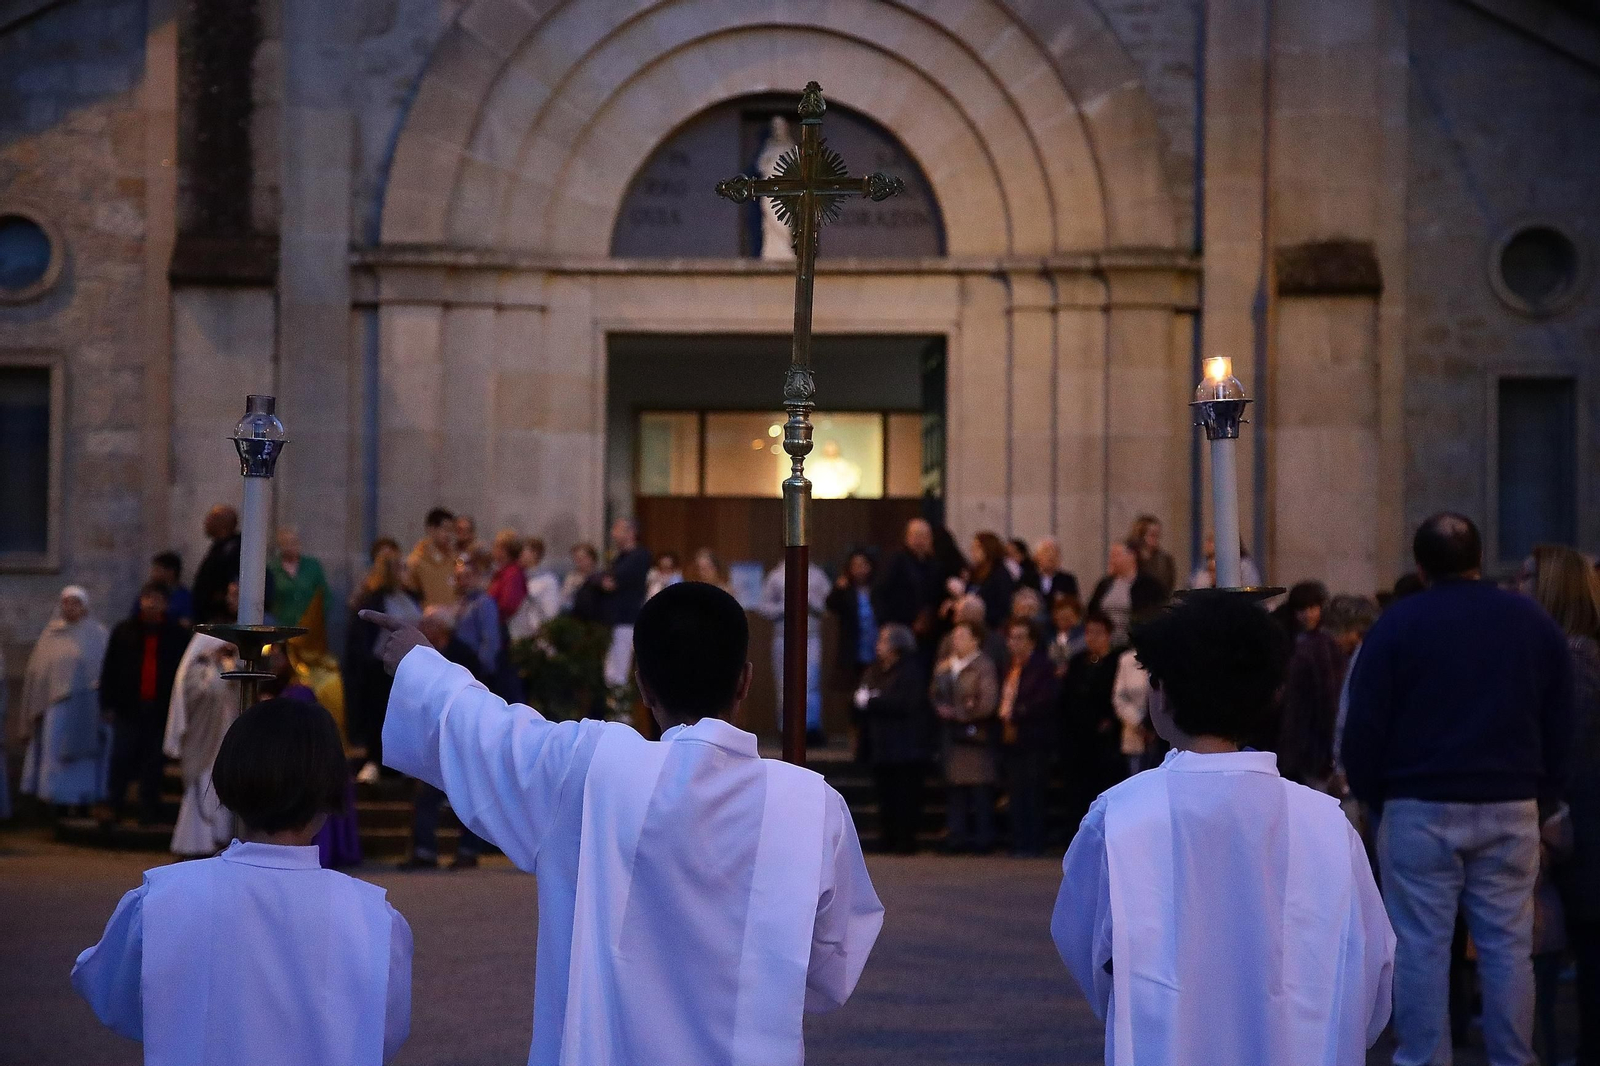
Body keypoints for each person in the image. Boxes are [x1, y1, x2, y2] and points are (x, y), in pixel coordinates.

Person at [365, 580, 882, 1065]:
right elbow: (832, 970)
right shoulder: (812, 805)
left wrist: (420, 664)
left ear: (642, 685)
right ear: (745, 680)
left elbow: (485, 731)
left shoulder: (591, 769)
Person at [1052, 592, 1394, 1066]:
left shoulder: (1120, 817)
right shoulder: (1326, 824)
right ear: (1272, 694)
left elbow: (1083, 945)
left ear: (1161, 692)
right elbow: (1373, 963)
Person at [1343, 513, 1574, 1066]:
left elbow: (1364, 725)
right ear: (1479, 559)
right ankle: (1513, 1057)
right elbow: (1562, 717)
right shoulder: (1530, 621)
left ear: (1420, 566)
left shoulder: (1397, 626)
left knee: (1420, 947)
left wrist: (1376, 797)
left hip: (1418, 803)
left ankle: (1425, 1058)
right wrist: (1544, 794)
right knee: (1507, 948)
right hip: (1509, 800)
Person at [72, 697, 412, 1065]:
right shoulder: (374, 918)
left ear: (229, 780)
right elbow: (381, 1035)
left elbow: (110, 994)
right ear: (329, 793)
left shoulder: (163, 899)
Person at [1523, 543, 1600, 1061]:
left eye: (1529, 578)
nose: (1517, 587)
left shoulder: (1571, 658)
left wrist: (1549, 813)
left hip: (1582, 824)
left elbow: (1566, 748)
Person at [397, 611, 491, 871]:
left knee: (466, 795)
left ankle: (467, 850)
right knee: (427, 796)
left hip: (462, 735)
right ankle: (425, 851)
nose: (420, 628)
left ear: (441, 629)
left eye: (426, 624)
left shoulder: (463, 654)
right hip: (435, 737)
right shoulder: (427, 655)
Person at [101, 583, 189, 825]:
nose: (151, 603)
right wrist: (107, 704)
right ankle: (114, 805)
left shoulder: (176, 635)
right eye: (147, 598)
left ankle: (148, 809)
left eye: (157, 599)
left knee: (153, 761)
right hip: (128, 706)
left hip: (160, 709)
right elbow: (110, 668)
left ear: (165, 604)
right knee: (121, 757)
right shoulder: (124, 631)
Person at [19, 586, 110, 810]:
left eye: (75, 603)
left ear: (84, 606)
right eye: (66, 602)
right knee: (55, 753)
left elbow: (103, 669)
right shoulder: (51, 635)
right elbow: (38, 674)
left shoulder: (97, 634)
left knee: (82, 757)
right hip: (56, 707)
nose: (70, 607)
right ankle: (56, 800)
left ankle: (82, 800)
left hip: (86, 706)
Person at [346, 546, 422, 785]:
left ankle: (401, 764)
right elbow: (364, 637)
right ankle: (376, 762)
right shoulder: (375, 599)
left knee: (404, 716)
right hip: (381, 668)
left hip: (408, 668)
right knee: (380, 715)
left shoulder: (407, 596)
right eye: (401, 567)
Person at [855, 624, 931, 854]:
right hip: (881, 744)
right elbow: (865, 692)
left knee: (905, 796)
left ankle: (905, 840)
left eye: (883, 641)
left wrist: (873, 701)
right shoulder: (875, 669)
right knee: (885, 795)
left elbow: (905, 703)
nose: (878, 645)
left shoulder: (911, 670)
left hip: (906, 746)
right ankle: (887, 838)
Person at [162, 633, 238, 856]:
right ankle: (195, 844)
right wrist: (215, 670)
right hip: (202, 742)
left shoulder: (226, 668)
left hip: (223, 741)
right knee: (202, 790)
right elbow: (206, 693)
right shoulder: (194, 672)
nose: (225, 654)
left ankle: (220, 839)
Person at [932, 620, 1000, 854]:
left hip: (975, 737)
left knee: (979, 790)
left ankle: (983, 837)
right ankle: (956, 837)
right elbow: (935, 694)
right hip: (951, 738)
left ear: (975, 640)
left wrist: (960, 713)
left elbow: (987, 702)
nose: (956, 640)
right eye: (955, 636)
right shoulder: (945, 666)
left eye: (962, 636)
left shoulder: (983, 666)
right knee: (955, 791)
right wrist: (941, 708)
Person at [1275, 584, 1346, 790]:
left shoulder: (1323, 644)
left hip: (1314, 738)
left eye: (1313, 608)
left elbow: (1330, 695)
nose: (1308, 615)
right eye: (1302, 609)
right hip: (1298, 735)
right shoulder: (1291, 639)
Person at [999, 618, 1059, 856]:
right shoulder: (1011, 666)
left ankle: (1033, 842)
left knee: (1033, 790)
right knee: (1016, 790)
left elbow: (1045, 700)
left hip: (1034, 736)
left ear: (1031, 641)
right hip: (1012, 736)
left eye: (1020, 637)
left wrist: (1018, 711)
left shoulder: (1042, 666)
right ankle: (1019, 839)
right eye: (1011, 637)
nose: (1014, 643)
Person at [757, 557, 831, 744]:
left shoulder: (817, 575)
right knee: (785, 682)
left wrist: (810, 601)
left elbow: (828, 605)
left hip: (811, 635)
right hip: (784, 636)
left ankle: (811, 728)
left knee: (811, 681)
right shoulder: (776, 575)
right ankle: (787, 729)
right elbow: (764, 607)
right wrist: (785, 605)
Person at [1059, 610, 1123, 818]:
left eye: (1098, 632)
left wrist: (1109, 720)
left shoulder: (1116, 661)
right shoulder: (1078, 662)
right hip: (1077, 735)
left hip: (1104, 737)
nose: (1092, 638)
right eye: (1089, 632)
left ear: (1108, 635)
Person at [455, 546, 520, 702]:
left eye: (468, 576)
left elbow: (490, 639)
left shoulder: (484, 603)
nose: (463, 582)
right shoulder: (464, 602)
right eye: (459, 577)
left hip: (477, 672)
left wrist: (482, 670)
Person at [599, 517, 652, 694]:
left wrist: (609, 582)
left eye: (618, 529)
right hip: (613, 618)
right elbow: (604, 580)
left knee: (618, 670)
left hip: (626, 618)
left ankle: (619, 707)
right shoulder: (620, 558)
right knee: (610, 670)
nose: (613, 534)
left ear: (631, 533)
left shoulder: (639, 556)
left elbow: (614, 581)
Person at [874, 517, 943, 643]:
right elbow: (880, 592)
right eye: (916, 536)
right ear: (907, 538)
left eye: (925, 536)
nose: (921, 541)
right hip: (900, 627)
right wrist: (885, 622)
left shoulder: (934, 564)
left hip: (928, 631)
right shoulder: (896, 561)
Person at [1087, 542, 1165, 647]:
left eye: (1116, 556)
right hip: (1104, 643)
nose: (1112, 560)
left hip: (1133, 643)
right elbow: (1091, 611)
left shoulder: (1149, 586)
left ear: (1131, 556)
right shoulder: (1104, 584)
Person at [826, 550, 880, 693]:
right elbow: (831, 605)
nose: (860, 569)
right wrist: (838, 590)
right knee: (852, 689)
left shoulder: (877, 588)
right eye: (855, 565)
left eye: (863, 565)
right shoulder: (847, 590)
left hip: (875, 644)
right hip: (853, 647)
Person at [267, 527, 330, 634]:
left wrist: (316, 617)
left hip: (309, 627)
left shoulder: (312, 566)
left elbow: (325, 595)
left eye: (294, 542)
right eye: (286, 543)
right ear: (280, 546)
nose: (291, 546)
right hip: (281, 626)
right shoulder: (272, 568)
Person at [191, 505, 242, 624]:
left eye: (211, 518)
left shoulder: (234, 549)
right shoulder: (219, 547)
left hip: (222, 618)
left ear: (223, 523)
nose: (206, 522)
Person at [508, 536, 562, 642]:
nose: (518, 556)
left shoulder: (548, 581)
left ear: (535, 554)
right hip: (515, 634)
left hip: (536, 637)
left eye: (522, 552)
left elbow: (551, 613)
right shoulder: (515, 577)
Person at [405, 507, 459, 610]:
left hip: (452, 616)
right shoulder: (416, 562)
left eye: (451, 531)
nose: (449, 535)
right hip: (428, 616)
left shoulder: (454, 559)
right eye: (445, 529)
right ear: (431, 529)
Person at [966, 531, 1017, 632]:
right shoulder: (974, 572)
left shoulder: (1000, 574)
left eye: (977, 548)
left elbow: (1003, 605)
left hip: (990, 626)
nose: (972, 551)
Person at [135, 552, 192, 627]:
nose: (153, 574)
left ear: (171, 571)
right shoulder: (147, 592)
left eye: (157, 570)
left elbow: (186, 622)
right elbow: (135, 615)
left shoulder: (184, 597)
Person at [1188, 533, 1263, 590]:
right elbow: (1196, 586)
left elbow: (1250, 587)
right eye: (1208, 540)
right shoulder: (1204, 565)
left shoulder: (1244, 565)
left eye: (1211, 541)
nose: (1207, 544)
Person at [1126, 514, 1176, 598]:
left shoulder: (1164, 560)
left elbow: (1167, 585)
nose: (1156, 539)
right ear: (1140, 535)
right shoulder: (1128, 557)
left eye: (1158, 535)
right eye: (1152, 535)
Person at [486, 529, 528, 623]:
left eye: (495, 545)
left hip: (501, 626)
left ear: (503, 550)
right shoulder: (503, 572)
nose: (492, 549)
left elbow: (508, 605)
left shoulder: (512, 574)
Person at [561, 541, 603, 621]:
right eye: (577, 559)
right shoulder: (571, 578)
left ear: (592, 558)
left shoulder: (601, 577)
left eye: (583, 558)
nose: (580, 562)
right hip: (576, 616)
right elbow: (564, 599)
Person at [1047, 593, 1086, 675]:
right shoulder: (1050, 636)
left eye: (1067, 618)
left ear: (1077, 617)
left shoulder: (1083, 635)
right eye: (1061, 618)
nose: (1063, 621)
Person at [1033, 537, 1079, 603]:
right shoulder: (1027, 579)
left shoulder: (1067, 580)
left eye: (1055, 552)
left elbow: (1073, 604)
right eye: (1046, 551)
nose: (1050, 555)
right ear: (1036, 557)